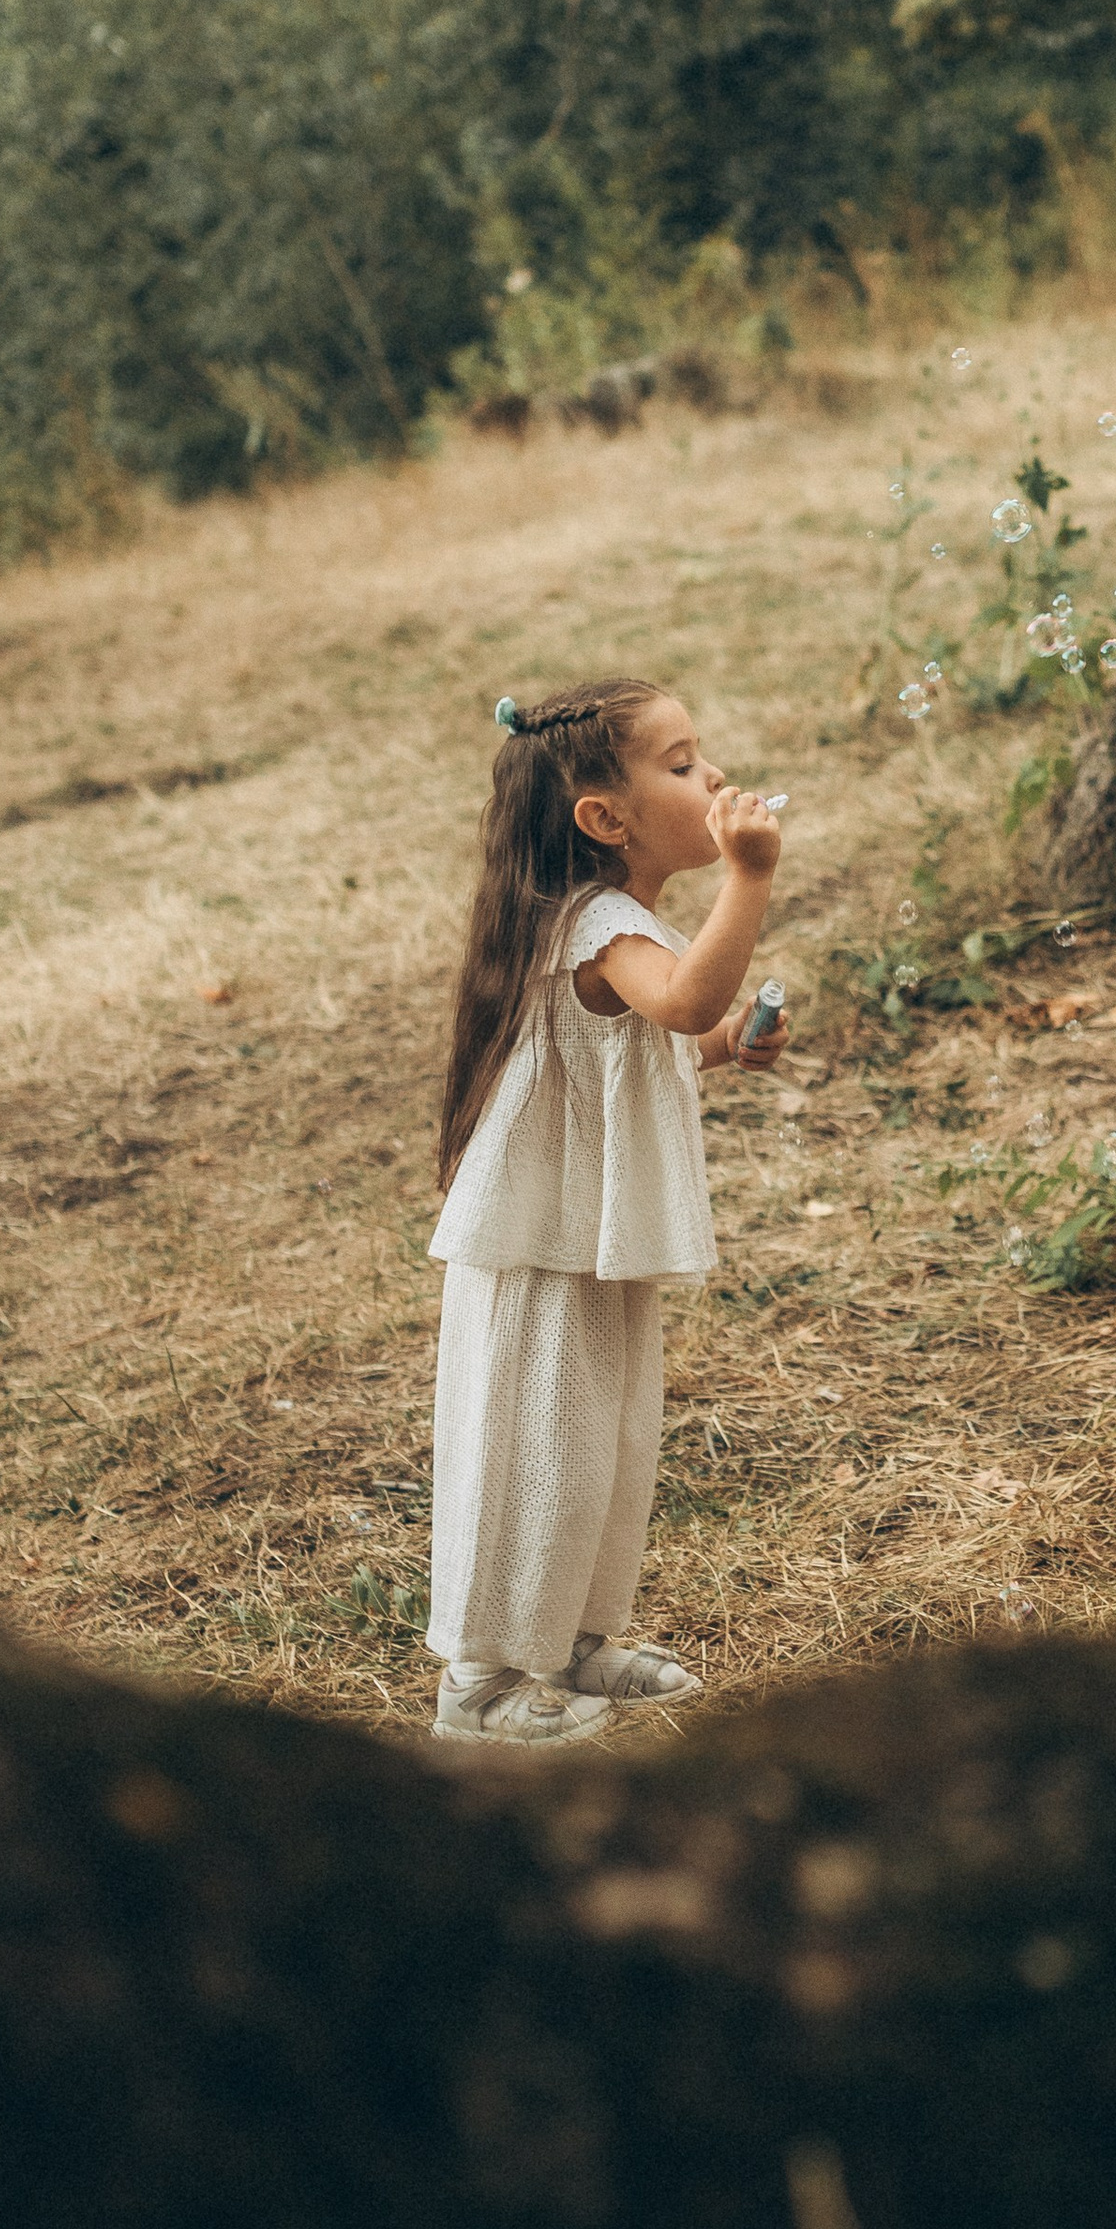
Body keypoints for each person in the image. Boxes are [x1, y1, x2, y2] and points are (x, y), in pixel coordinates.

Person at [425, 678, 789, 1742]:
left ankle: (574, 1639)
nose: (712, 775)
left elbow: (660, 1037)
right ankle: (483, 1679)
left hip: (590, 1241)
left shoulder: (606, 921)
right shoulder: (595, 920)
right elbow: (680, 1001)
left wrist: (724, 1046)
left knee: (599, 1451)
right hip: (543, 1248)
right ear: (603, 818)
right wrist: (750, 879)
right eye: (680, 765)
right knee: (532, 1453)